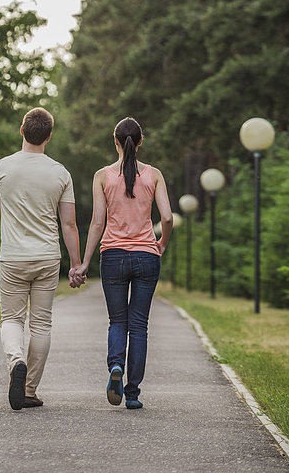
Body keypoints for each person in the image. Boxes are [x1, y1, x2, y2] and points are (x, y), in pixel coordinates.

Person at [0, 107, 83, 410]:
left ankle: (16, 361)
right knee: (41, 324)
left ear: (22, 131)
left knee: (12, 318)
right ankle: (28, 391)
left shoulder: (1, 168)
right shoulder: (60, 172)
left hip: (13, 257)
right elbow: (69, 224)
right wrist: (76, 264)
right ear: (49, 136)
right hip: (48, 257)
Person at [71, 117, 173, 409]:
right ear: (140, 142)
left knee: (117, 320)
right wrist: (161, 243)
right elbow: (166, 217)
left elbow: (97, 222)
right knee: (139, 325)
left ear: (115, 141)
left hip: (113, 256)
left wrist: (84, 262)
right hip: (146, 256)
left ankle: (116, 366)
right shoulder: (154, 175)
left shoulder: (102, 176)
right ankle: (132, 393)